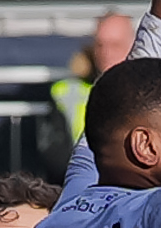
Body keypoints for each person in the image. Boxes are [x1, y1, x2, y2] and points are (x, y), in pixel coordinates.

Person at [50, 12, 139, 145]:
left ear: (134, 46)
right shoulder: (66, 91)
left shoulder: (151, 90)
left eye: (115, 45)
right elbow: (54, 150)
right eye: (100, 45)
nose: (106, 53)